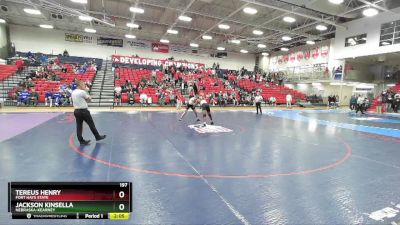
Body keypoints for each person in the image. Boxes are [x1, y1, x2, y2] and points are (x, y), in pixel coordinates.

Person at [72, 80, 106, 145]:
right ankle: (97, 136)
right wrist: (87, 93)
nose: (84, 85)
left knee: (79, 126)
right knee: (91, 124)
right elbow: (89, 99)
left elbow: (81, 100)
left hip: (76, 111)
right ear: (80, 85)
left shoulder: (73, 92)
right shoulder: (82, 92)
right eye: (83, 84)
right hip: (84, 111)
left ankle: (81, 141)